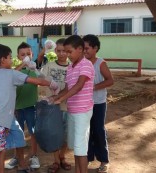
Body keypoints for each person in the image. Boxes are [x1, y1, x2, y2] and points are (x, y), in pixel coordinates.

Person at [0, 43, 58, 173]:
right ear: (3, 59)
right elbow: (39, 82)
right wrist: (52, 84)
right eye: (10, 57)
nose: (12, 60)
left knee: (0, 152)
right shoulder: (11, 74)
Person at [52, 35, 95, 173]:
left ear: (80, 49)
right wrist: (55, 97)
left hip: (82, 111)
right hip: (72, 110)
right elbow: (68, 87)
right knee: (76, 147)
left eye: (69, 51)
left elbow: (79, 85)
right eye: (65, 51)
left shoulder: (86, 64)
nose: (66, 55)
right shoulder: (70, 67)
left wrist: (62, 98)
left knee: (81, 148)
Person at [5, 42, 41, 170]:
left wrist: (34, 68)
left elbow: (42, 79)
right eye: (23, 54)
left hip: (32, 106)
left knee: (33, 132)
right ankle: (17, 157)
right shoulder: (15, 70)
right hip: (18, 108)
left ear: (32, 54)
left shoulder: (34, 70)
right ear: (18, 56)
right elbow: (10, 77)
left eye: (28, 54)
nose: (26, 56)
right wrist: (23, 64)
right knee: (17, 133)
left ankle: (34, 156)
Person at [82, 34, 114, 173]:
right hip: (84, 104)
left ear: (95, 48)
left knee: (99, 130)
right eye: (83, 48)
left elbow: (110, 80)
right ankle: (88, 158)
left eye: (87, 48)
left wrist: (93, 87)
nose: (85, 51)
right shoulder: (81, 62)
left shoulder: (100, 63)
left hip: (98, 103)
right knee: (86, 132)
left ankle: (104, 161)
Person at [40, 38, 71, 173]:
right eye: (58, 51)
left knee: (65, 134)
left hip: (68, 107)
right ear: (55, 51)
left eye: (64, 51)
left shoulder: (73, 67)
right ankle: (56, 160)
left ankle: (62, 157)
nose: (62, 53)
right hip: (53, 108)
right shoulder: (49, 66)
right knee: (54, 134)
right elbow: (40, 78)